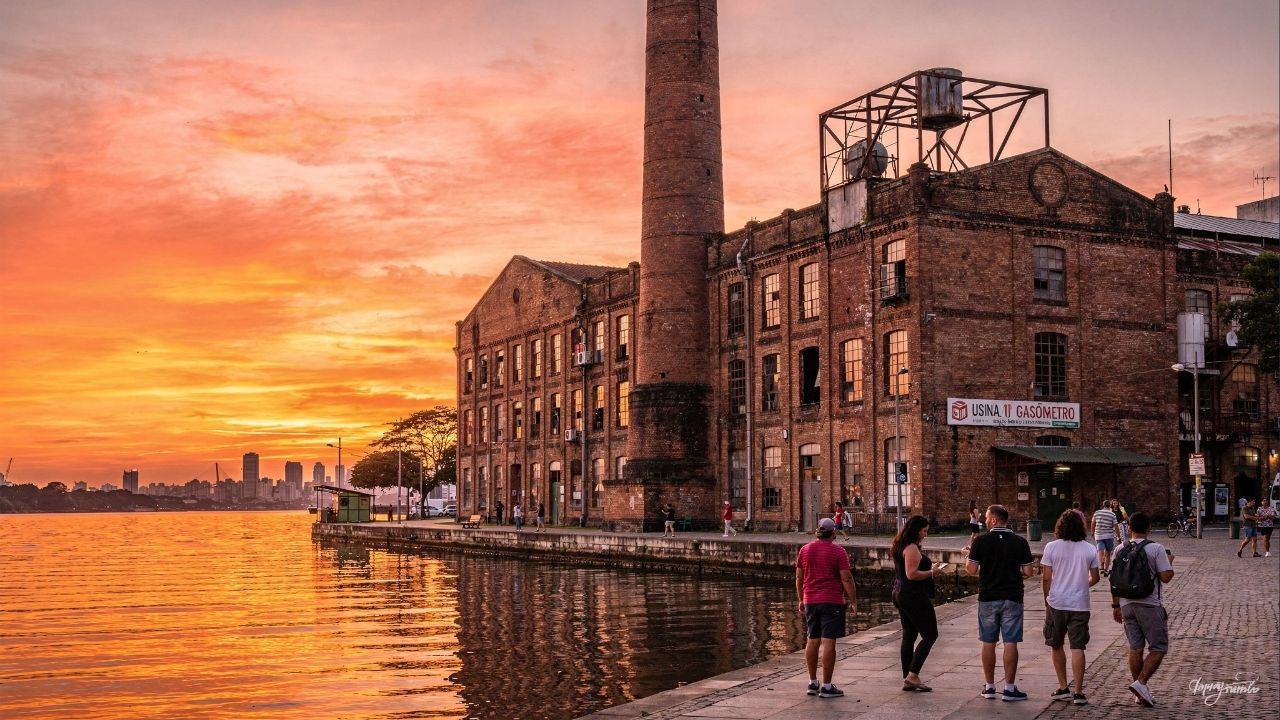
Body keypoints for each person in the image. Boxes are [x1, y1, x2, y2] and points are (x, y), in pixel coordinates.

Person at [965, 504, 1035, 702]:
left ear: (995, 520)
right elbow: (1029, 572)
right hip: (1012, 596)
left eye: (987, 518)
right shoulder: (1020, 542)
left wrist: (966, 556)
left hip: (988, 596)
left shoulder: (981, 541)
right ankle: (1010, 688)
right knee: (1010, 641)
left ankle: (989, 687)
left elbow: (971, 570)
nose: (985, 521)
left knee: (988, 642)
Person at [1111, 512, 1174, 707]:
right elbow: (1165, 577)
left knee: (1135, 648)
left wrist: (1115, 606)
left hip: (1126, 604)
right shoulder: (1156, 548)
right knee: (1159, 646)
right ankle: (1141, 683)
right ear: (1149, 529)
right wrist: (1169, 562)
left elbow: (1113, 580)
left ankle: (1139, 693)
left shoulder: (1119, 548)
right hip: (1149, 603)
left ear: (1129, 529)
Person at [1041, 509, 1100, 706]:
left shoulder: (1051, 547)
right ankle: (1079, 692)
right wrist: (1082, 585)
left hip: (1057, 602)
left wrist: (1046, 597)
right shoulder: (1089, 549)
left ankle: (1063, 686)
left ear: (1060, 526)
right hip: (1080, 604)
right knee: (1078, 646)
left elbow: (1046, 577)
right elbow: (1096, 577)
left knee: (1056, 644)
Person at [796, 517, 857, 699]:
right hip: (832, 601)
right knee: (828, 641)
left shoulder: (804, 550)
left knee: (812, 639)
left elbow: (799, 577)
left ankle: (812, 682)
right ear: (833, 533)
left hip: (810, 600)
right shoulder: (838, 552)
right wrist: (853, 601)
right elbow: (846, 578)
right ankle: (827, 686)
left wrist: (801, 599)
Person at [891, 515, 941, 692]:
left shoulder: (899, 544)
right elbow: (912, 574)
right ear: (915, 530)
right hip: (913, 595)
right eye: (924, 531)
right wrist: (932, 572)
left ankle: (908, 678)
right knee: (930, 634)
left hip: (900, 593)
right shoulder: (911, 548)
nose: (926, 534)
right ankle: (913, 675)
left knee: (909, 635)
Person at [1091, 501, 1118, 576]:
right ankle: (1106, 569)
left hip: (1099, 535)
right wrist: (1118, 536)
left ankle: (1101, 567)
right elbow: (1116, 526)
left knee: (1100, 550)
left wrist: (1092, 532)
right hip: (1109, 535)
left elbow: (1093, 523)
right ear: (1110, 506)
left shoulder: (1097, 512)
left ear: (1103, 505)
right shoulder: (1112, 514)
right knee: (1108, 553)